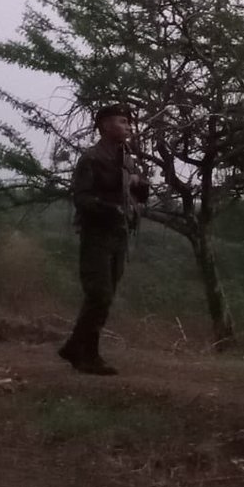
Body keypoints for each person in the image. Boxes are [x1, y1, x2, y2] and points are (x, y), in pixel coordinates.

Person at [58, 104, 148, 375]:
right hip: (96, 234)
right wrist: (110, 208)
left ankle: (78, 348)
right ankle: (85, 353)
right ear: (104, 126)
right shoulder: (92, 158)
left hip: (119, 235)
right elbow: (82, 198)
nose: (128, 127)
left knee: (104, 297)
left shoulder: (127, 159)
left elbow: (139, 195)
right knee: (99, 294)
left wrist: (139, 187)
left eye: (129, 122)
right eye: (122, 121)